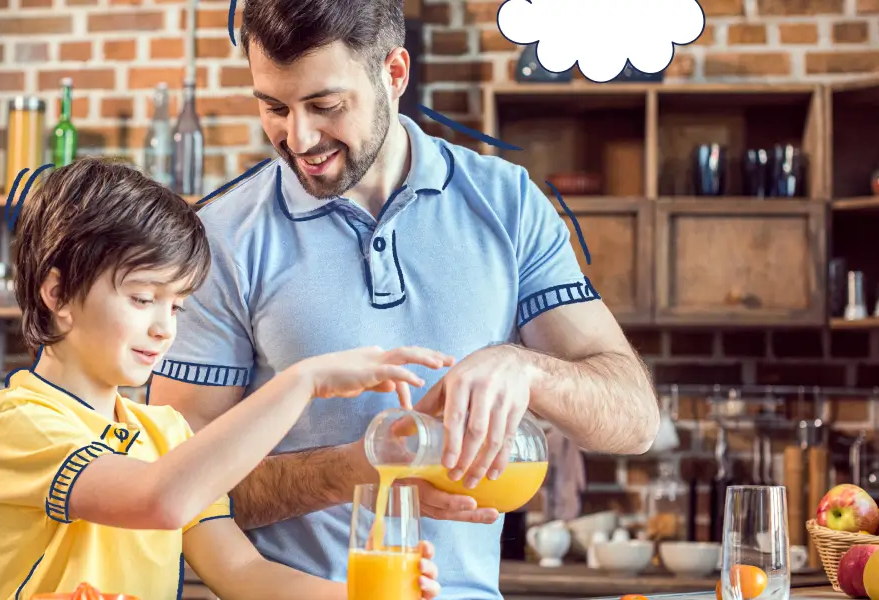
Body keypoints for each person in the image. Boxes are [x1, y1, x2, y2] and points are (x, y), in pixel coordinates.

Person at [147, 0, 661, 598]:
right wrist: (357, 471)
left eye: (325, 105)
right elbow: (178, 493)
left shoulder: (508, 205)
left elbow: (636, 420)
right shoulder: (221, 241)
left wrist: (524, 367)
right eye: (274, 107)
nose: (299, 137)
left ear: (393, 74)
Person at [0, 157, 451, 600]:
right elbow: (158, 501)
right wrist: (303, 381)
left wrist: (363, 596)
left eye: (175, 305)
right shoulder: (20, 422)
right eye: (141, 299)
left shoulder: (165, 435)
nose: (164, 327)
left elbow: (243, 572)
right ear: (58, 293)